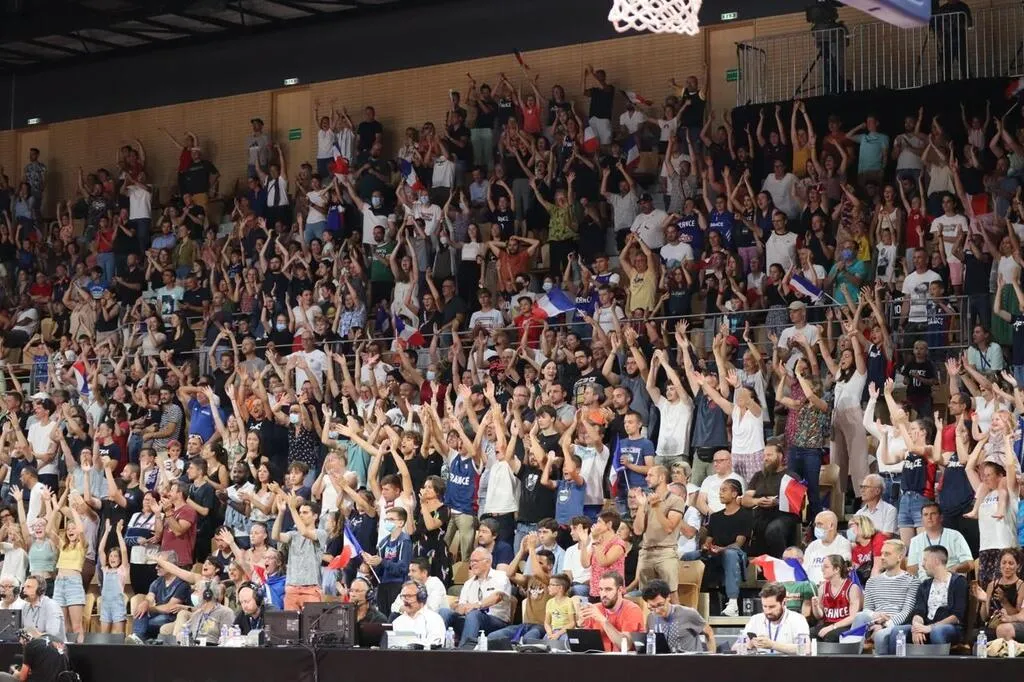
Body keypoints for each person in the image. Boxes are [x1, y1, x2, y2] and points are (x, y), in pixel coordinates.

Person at [887, 545, 967, 649]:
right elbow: (919, 611)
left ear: (936, 561)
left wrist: (930, 628)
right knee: (897, 631)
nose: (922, 565)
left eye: (925, 560)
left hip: (950, 628)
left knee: (937, 632)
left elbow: (957, 616)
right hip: (925, 626)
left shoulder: (958, 582)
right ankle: (895, 664)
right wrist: (917, 628)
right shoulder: (925, 585)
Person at [439, 547, 511, 648]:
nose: (472, 564)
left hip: (495, 621)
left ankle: (464, 652)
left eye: (476, 561)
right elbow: (462, 606)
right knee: (444, 611)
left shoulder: (500, 577)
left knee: (474, 614)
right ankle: (437, 648)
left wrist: (476, 605)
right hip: (470, 619)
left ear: (488, 562)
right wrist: (458, 608)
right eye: (471, 561)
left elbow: (497, 597)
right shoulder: (468, 583)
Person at [632, 465, 685, 600]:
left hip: (665, 552)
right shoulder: (646, 501)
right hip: (646, 551)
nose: (646, 478)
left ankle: (677, 621)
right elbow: (637, 530)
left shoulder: (675, 500)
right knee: (647, 596)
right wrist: (640, 506)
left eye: (650, 475)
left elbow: (669, 527)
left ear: (661, 478)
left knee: (671, 594)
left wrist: (656, 508)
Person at [702, 479, 752, 617]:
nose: (720, 493)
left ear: (735, 493)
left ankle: (733, 603)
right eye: (720, 491)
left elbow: (738, 544)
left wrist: (722, 549)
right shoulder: (716, 517)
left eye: (724, 490)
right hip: (716, 554)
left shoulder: (745, 515)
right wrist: (707, 546)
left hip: (736, 554)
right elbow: (709, 541)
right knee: (688, 557)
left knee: (730, 553)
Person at [272, 496, 327, 611]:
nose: (301, 515)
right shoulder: (293, 534)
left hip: (311, 589)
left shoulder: (321, 533)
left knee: (312, 627)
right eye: (300, 512)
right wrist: (281, 513)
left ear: (315, 516)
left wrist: (293, 509)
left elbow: (304, 532)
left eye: (305, 512)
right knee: (292, 628)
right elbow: (275, 536)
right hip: (291, 589)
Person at [642, 578, 714, 653]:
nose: (657, 610)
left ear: (668, 597)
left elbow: (709, 633)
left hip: (690, 662)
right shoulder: (651, 618)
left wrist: (712, 659)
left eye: (660, 605)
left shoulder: (688, 613)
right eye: (652, 607)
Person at [578, 572, 644, 652]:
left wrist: (603, 621)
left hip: (625, 661)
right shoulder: (595, 608)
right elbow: (584, 646)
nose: (603, 594)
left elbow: (626, 646)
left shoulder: (632, 609)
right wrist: (580, 626)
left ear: (620, 590)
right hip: (599, 659)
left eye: (608, 589)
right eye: (601, 589)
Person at [905, 502, 974, 579]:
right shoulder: (916, 541)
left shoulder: (955, 536)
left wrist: (952, 569)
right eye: (925, 515)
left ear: (941, 517)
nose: (929, 517)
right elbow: (912, 570)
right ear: (921, 519)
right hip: (926, 584)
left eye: (933, 514)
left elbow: (970, 564)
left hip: (951, 581)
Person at [741, 582, 810, 654]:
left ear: (783, 602)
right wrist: (749, 644)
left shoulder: (798, 619)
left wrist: (772, 645)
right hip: (761, 663)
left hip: (788, 663)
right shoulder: (755, 619)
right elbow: (736, 647)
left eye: (772, 607)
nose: (768, 611)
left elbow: (805, 648)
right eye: (764, 606)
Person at [809, 555, 862, 641]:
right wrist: (815, 607)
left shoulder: (852, 588)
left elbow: (853, 617)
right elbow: (819, 616)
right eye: (822, 566)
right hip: (827, 624)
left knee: (831, 636)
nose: (822, 569)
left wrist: (832, 627)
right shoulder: (822, 588)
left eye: (826, 567)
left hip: (845, 625)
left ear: (837, 569)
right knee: (810, 633)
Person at [391, 580, 446, 646]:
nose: (405, 600)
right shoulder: (397, 622)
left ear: (421, 597)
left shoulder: (434, 619)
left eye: (409, 596)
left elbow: (435, 647)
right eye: (403, 596)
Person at [802, 511, 852, 584]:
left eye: (819, 524)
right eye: (815, 524)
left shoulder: (843, 544)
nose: (816, 528)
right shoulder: (812, 545)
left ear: (831, 526)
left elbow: (841, 570)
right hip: (810, 588)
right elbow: (805, 569)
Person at [20, 575, 65, 642]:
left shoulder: (51, 606)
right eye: (24, 587)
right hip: (32, 647)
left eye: (28, 587)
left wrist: (35, 634)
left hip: (52, 648)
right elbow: (22, 631)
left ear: (40, 590)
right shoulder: (25, 607)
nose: (24, 590)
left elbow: (52, 635)